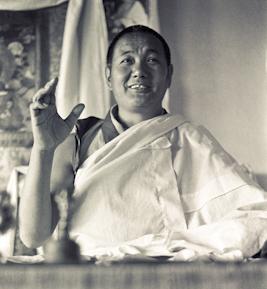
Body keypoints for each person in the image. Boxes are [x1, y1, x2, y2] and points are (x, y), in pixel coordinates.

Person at [19, 25, 267, 261]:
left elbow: (256, 215)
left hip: (163, 274)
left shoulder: (191, 139)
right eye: (127, 60)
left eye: (152, 60)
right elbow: (33, 236)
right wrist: (43, 148)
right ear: (108, 76)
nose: (139, 71)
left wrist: (175, 247)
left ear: (169, 75)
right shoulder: (78, 136)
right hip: (89, 275)